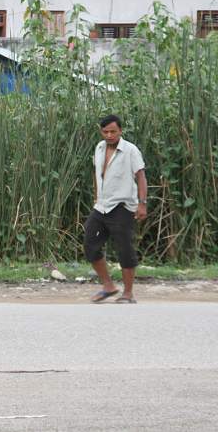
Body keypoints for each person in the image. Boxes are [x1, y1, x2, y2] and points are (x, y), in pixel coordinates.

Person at [85, 114, 147, 304]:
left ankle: (128, 293)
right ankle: (108, 286)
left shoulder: (130, 150)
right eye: (106, 132)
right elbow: (98, 175)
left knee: (124, 249)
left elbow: (141, 176)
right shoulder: (99, 147)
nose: (110, 135)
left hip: (122, 206)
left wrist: (142, 203)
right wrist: (97, 199)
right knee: (90, 244)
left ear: (120, 130)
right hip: (101, 206)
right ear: (101, 131)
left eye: (113, 131)